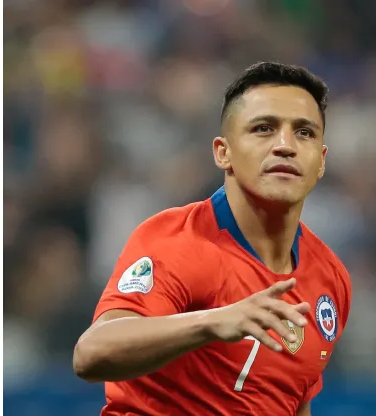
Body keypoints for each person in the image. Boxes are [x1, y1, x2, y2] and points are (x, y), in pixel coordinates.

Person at [72, 62, 352, 416]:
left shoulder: (332, 279)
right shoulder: (178, 241)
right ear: (224, 153)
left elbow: (292, 401)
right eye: (264, 129)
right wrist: (212, 322)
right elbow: (91, 353)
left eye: (305, 133)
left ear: (321, 161)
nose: (286, 146)